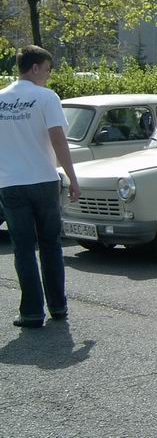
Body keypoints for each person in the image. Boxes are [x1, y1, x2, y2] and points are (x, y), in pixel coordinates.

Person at [0, 45, 80, 329]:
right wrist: (72, 177)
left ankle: (32, 312)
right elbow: (58, 139)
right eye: (47, 70)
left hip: (10, 183)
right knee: (50, 245)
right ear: (35, 68)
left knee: (23, 248)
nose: (47, 75)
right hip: (43, 180)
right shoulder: (46, 97)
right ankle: (58, 306)